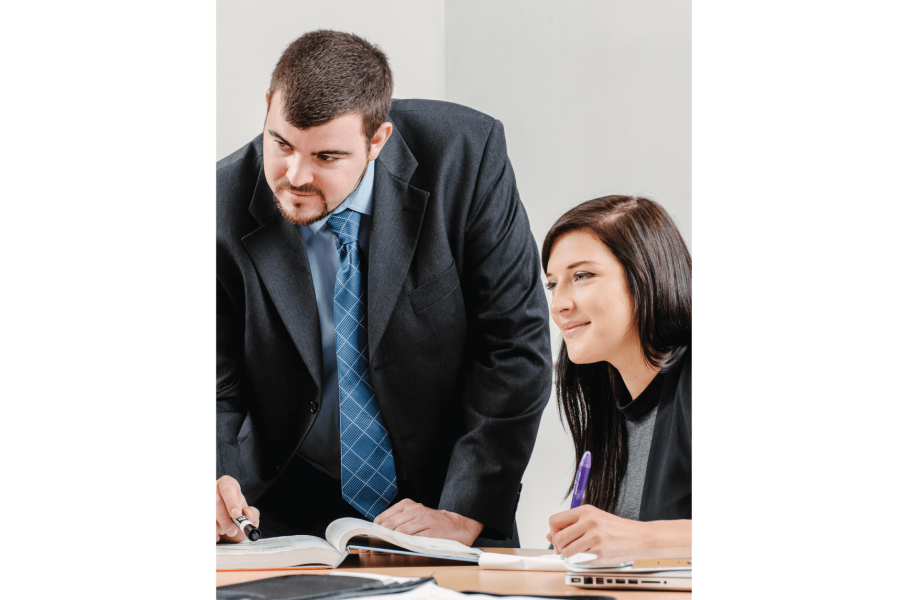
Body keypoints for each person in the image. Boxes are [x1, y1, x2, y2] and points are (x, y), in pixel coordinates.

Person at [215, 30, 551, 548]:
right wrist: (220, 479)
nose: (293, 175)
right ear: (267, 108)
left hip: (445, 505)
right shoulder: (220, 203)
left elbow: (514, 349)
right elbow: (218, 383)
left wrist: (463, 510)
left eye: (326, 157)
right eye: (281, 143)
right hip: (281, 512)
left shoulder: (466, 156)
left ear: (377, 140)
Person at [541, 195, 693, 556]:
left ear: (646, 275)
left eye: (582, 275)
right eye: (552, 284)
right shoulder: (605, 393)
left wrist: (644, 540)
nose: (558, 304)